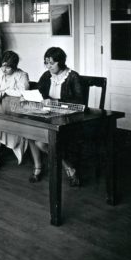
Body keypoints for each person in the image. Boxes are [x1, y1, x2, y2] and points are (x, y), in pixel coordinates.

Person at [28, 47, 84, 185]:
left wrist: (55, 102)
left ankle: (67, 166)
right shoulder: (47, 75)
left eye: (52, 63)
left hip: (68, 119)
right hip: (49, 114)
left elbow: (79, 101)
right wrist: (41, 98)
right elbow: (39, 91)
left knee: (40, 142)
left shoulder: (72, 76)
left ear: (61, 62)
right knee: (29, 132)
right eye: (46, 63)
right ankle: (38, 168)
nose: (48, 67)